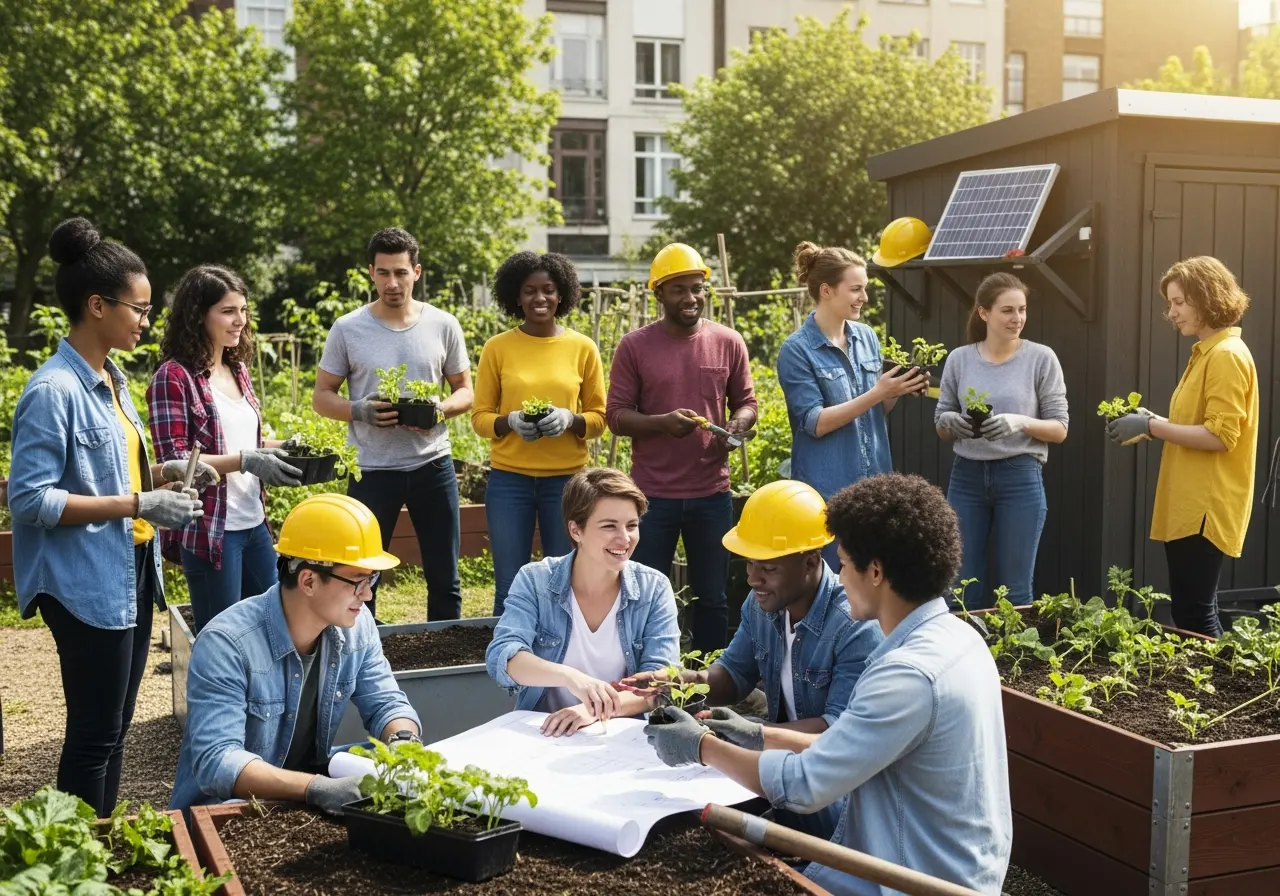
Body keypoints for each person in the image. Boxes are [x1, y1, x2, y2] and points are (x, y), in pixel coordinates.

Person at [643, 474, 1012, 896]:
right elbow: (852, 744)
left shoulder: (907, 674)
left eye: (842, 562)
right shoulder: (958, 639)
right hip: (933, 863)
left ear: (874, 571)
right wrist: (758, 732)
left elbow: (804, 785)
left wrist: (702, 747)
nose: (838, 575)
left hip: (911, 881)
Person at [7, 217, 213, 817]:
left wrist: (164, 478)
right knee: (94, 735)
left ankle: (98, 849)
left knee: (113, 733)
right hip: (83, 583)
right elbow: (30, 500)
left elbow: (110, 476)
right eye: (138, 308)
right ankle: (74, 857)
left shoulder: (112, 381)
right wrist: (138, 504)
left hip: (127, 570)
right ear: (96, 306)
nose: (145, 321)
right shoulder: (53, 391)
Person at [619, 479, 884, 840]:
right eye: (748, 564)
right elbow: (733, 675)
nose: (752, 579)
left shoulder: (853, 624)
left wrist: (752, 735)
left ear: (810, 562)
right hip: (781, 770)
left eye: (768, 568)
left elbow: (838, 734)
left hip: (836, 800)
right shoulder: (764, 604)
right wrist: (678, 682)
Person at [170, 494, 420, 813]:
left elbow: (386, 702)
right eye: (358, 581)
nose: (368, 594)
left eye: (373, 579)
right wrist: (317, 788)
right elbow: (219, 762)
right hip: (228, 810)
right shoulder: (227, 644)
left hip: (303, 801)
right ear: (309, 580)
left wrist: (402, 740)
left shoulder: (358, 625)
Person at [315, 227, 473, 621]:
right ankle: (364, 655)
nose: (392, 283)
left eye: (401, 272)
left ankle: (446, 655)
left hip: (432, 465)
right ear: (371, 273)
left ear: (416, 272)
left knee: (444, 574)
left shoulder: (443, 324)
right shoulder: (348, 328)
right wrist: (359, 410)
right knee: (361, 573)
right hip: (372, 469)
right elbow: (322, 396)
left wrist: (441, 408)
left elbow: (466, 391)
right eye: (383, 273)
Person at [606, 243, 757, 652]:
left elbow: (747, 403)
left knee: (713, 597)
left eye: (697, 288)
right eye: (679, 290)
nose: (691, 298)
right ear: (659, 294)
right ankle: (647, 674)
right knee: (644, 596)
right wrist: (661, 423)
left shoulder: (728, 341)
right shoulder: (635, 346)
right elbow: (616, 415)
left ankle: (707, 679)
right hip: (652, 495)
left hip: (712, 492)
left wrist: (738, 424)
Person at [1107, 257, 1258, 637]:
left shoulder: (1225, 356)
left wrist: (1152, 426)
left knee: (1195, 615)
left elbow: (1221, 437)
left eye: (1178, 303)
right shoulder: (1208, 351)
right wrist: (1151, 420)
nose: (1170, 313)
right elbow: (1197, 425)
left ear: (1206, 299)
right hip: (1191, 504)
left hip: (1205, 507)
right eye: (1170, 303)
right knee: (1189, 612)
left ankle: (1223, 694)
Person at [148, 265, 303, 633]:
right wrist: (247, 461)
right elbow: (177, 462)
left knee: (274, 627)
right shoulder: (173, 377)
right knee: (222, 638)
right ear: (199, 315)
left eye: (243, 310)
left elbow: (240, 443)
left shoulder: (238, 369)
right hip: (212, 529)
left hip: (253, 523)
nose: (240, 321)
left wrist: (287, 449)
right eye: (228, 311)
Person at [485, 468, 681, 737]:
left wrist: (594, 709)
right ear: (576, 530)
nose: (624, 538)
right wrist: (572, 677)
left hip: (621, 735)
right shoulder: (535, 580)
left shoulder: (654, 588)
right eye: (609, 525)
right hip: (542, 731)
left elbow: (661, 682)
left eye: (632, 525)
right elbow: (504, 657)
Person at [777, 242, 928, 570]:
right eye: (856, 289)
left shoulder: (867, 337)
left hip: (874, 483)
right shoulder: (797, 350)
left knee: (875, 581)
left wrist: (897, 389)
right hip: (827, 491)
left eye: (865, 288)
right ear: (827, 290)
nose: (864, 297)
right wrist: (877, 393)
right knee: (834, 583)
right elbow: (814, 422)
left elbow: (877, 411)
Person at [471, 251, 607, 614]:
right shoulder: (497, 348)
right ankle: (506, 663)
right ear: (516, 296)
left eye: (548, 290)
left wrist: (570, 419)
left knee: (564, 580)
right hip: (509, 481)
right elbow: (480, 417)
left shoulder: (582, 348)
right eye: (529, 291)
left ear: (562, 294)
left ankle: (559, 662)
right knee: (509, 583)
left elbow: (600, 417)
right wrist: (510, 421)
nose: (539, 298)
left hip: (565, 484)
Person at [934, 273, 1068, 608]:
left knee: (1016, 588)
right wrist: (950, 421)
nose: (1017, 318)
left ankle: (1014, 660)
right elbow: (942, 423)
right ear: (984, 313)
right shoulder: (960, 359)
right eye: (1008, 310)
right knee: (962, 587)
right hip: (966, 477)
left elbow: (1060, 428)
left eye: (1022, 310)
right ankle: (963, 659)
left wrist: (1019, 422)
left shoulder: (1041, 358)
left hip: (1020, 476)